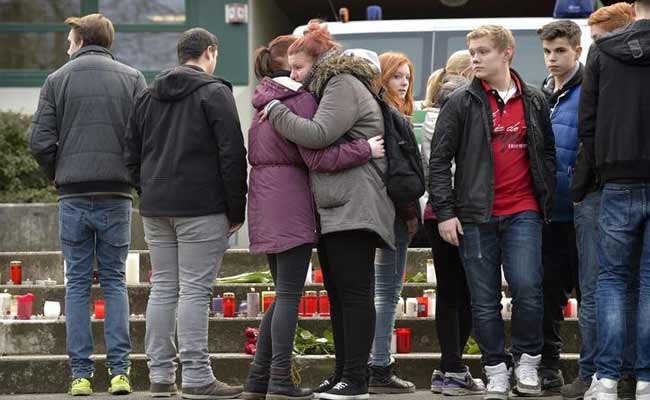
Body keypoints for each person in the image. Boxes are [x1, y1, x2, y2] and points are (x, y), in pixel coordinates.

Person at [242, 35, 384, 400]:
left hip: (266, 203)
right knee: (290, 294)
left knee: (285, 295)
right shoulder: (297, 101)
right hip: (293, 204)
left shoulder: (265, 102)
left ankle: (261, 379)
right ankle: (279, 380)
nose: (297, 74)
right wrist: (363, 148)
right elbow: (317, 154)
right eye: (292, 68)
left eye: (301, 67)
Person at [429, 25, 556, 400]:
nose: (475, 58)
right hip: (475, 216)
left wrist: (544, 195)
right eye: (473, 52)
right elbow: (438, 163)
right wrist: (446, 212)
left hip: (524, 212)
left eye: (483, 51)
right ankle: (496, 370)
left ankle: (528, 364)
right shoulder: (460, 102)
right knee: (482, 299)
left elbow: (546, 151)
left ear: (507, 53)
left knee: (529, 290)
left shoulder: (534, 98)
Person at [123, 27, 247, 399]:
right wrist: (236, 208)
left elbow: (130, 155)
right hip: (202, 207)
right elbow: (232, 154)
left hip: (157, 207)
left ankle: (160, 376)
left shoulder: (147, 96)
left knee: (163, 288)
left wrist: (149, 190)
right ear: (209, 52)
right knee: (194, 289)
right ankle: (196, 375)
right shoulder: (215, 93)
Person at [29, 13, 146, 396]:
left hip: (73, 194)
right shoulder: (133, 79)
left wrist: (57, 172)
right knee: (114, 282)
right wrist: (131, 174)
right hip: (116, 194)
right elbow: (145, 140)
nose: (66, 45)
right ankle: (120, 372)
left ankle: (80, 375)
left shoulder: (56, 80)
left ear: (81, 40)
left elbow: (40, 141)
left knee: (76, 285)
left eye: (69, 39)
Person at [575, 1, 650, 399]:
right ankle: (645, 380)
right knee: (648, 281)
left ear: (633, 6)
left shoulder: (602, 51)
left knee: (611, 280)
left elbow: (588, 121)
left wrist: (595, 168)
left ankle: (605, 378)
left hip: (616, 177)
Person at [421, 50, 485, 396]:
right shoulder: (461, 105)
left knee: (450, 292)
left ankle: (449, 368)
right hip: (458, 211)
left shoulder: (435, 108)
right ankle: (453, 367)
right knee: (466, 293)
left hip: (436, 212)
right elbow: (449, 165)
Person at [536, 20, 583, 393]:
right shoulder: (541, 94)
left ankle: (593, 366)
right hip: (546, 212)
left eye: (560, 51)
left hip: (583, 209)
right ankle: (549, 365)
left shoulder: (591, 91)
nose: (552, 58)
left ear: (577, 51)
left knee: (590, 294)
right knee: (547, 293)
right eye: (548, 52)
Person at [367, 51, 418, 395]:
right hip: (393, 213)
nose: (403, 83)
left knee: (386, 292)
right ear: (382, 78)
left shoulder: (395, 112)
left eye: (407, 77)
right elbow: (398, 172)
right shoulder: (387, 115)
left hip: (390, 212)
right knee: (387, 293)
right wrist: (410, 211)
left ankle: (378, 364)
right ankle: (380, 366)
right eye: (397, 76)